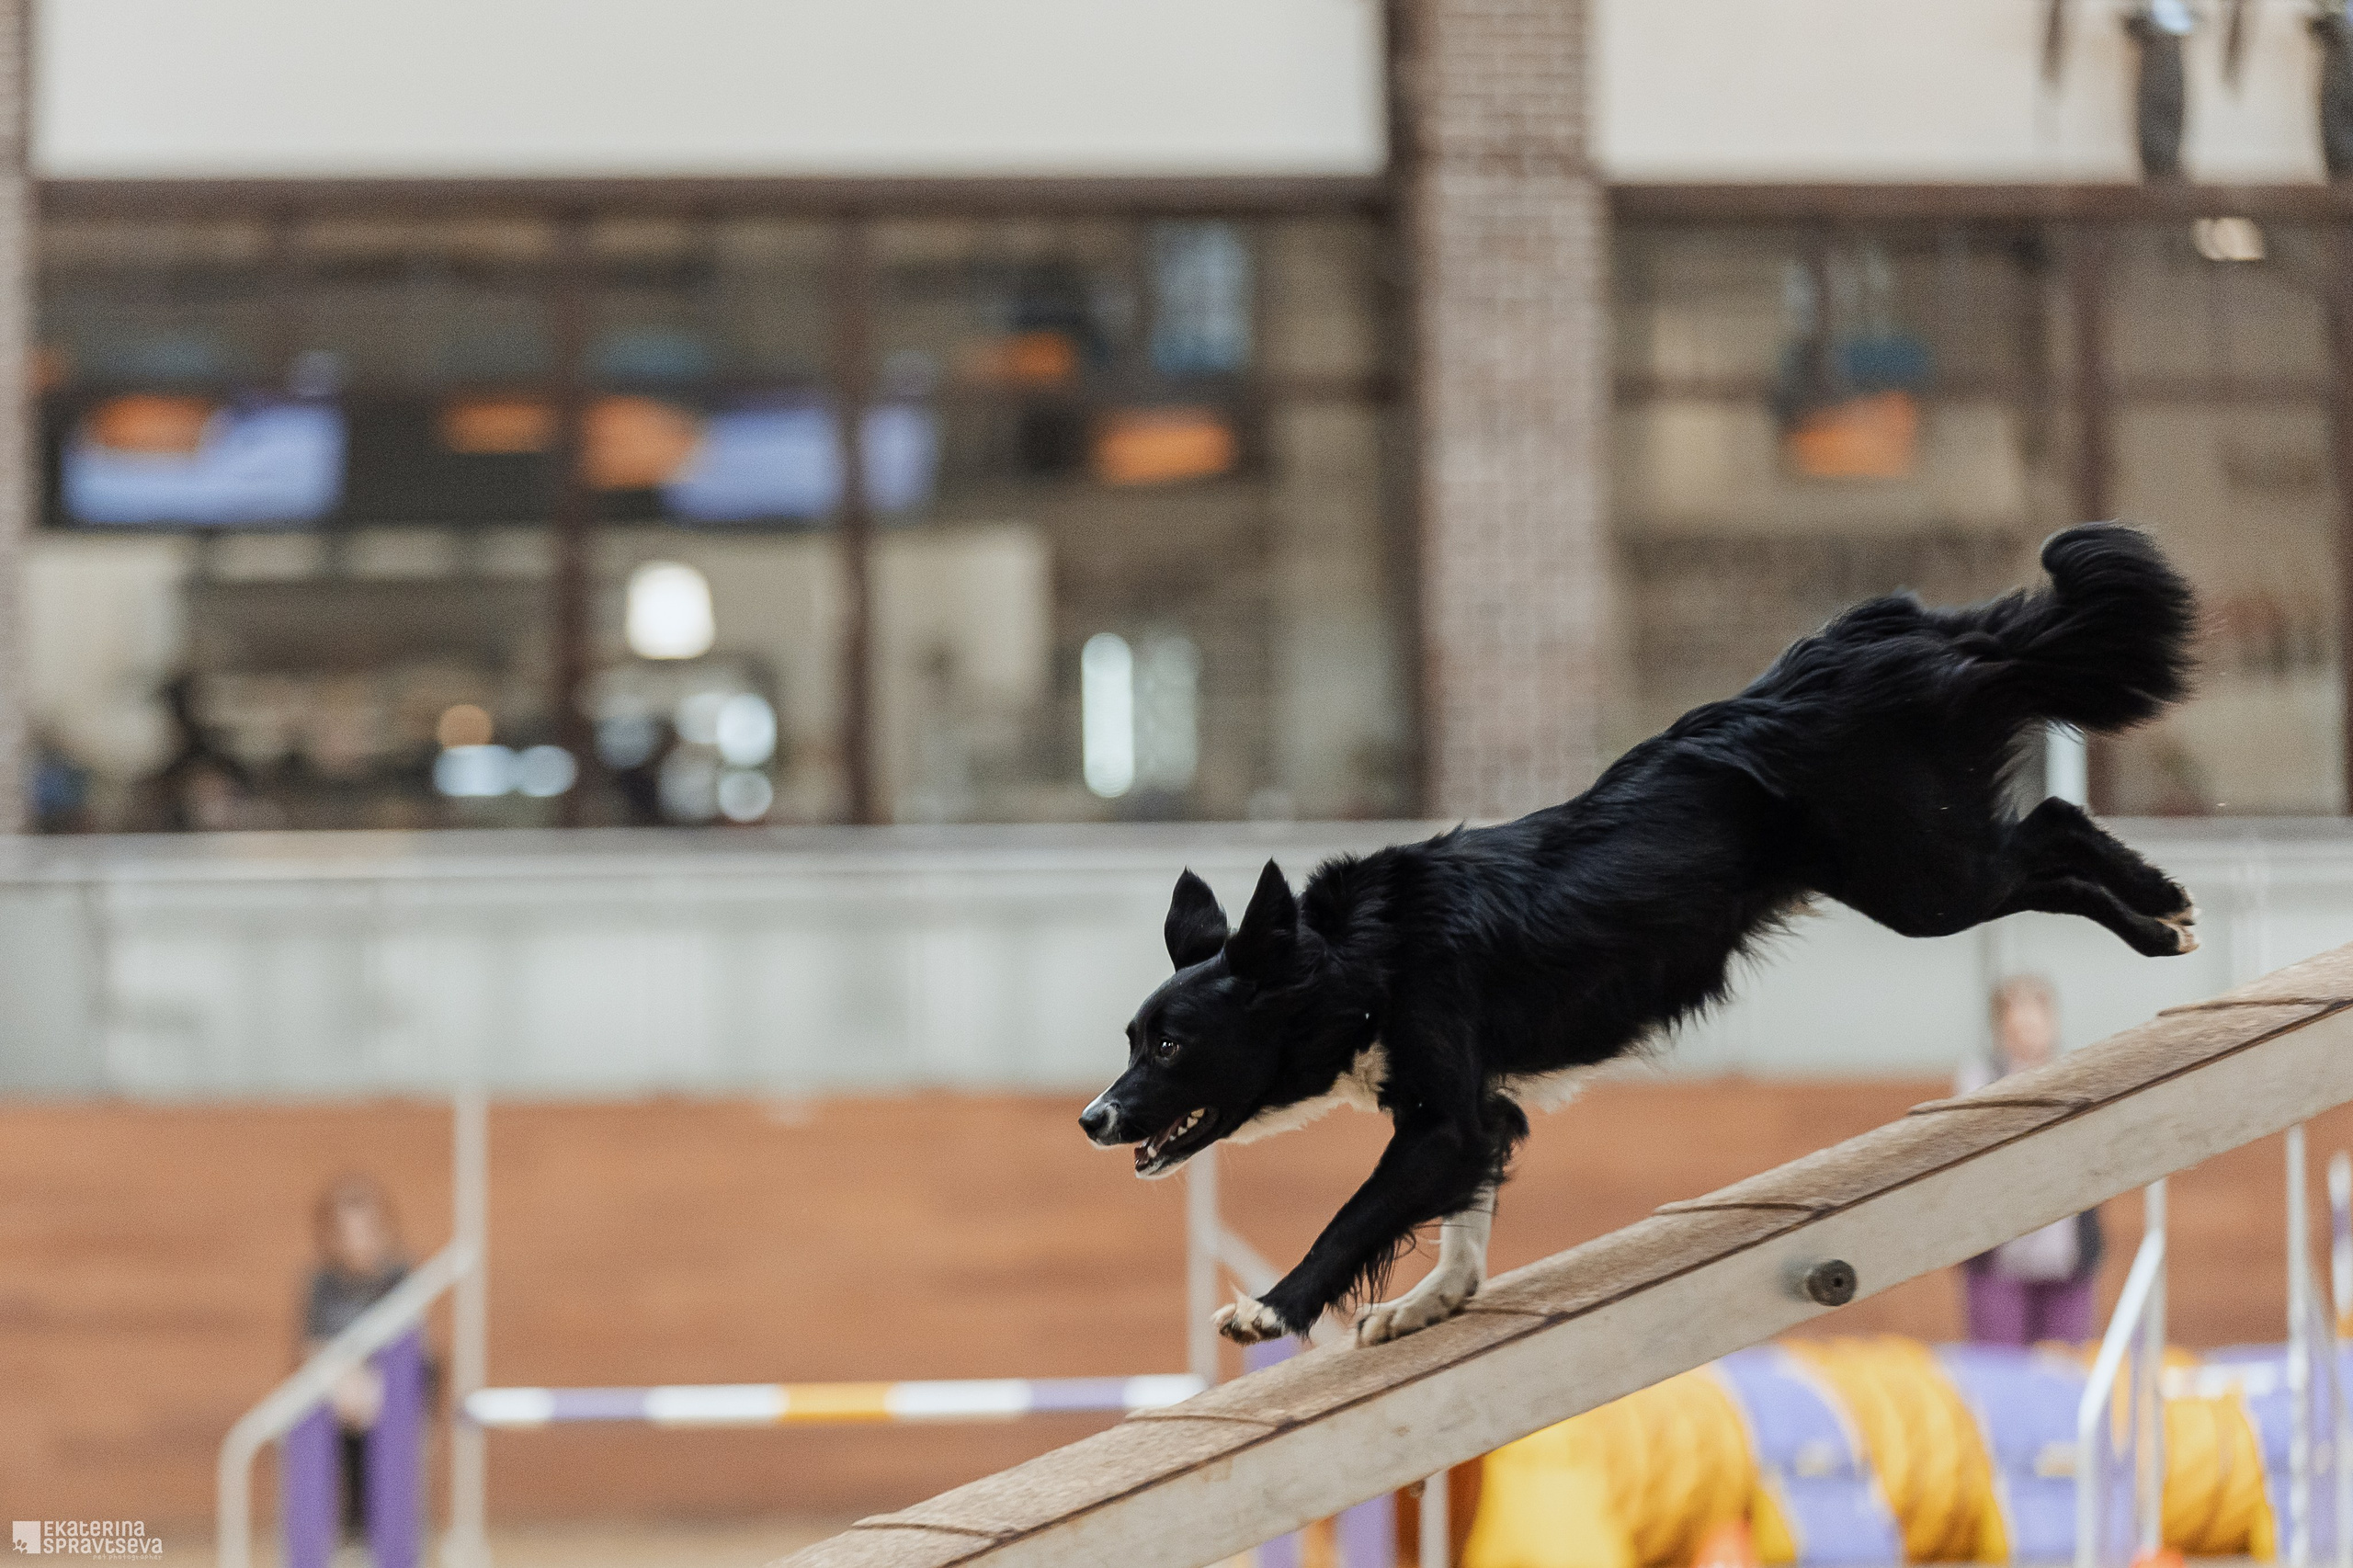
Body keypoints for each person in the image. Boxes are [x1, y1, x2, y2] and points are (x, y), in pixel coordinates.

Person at [1957, 976, 2105, 1344]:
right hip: (1999, 1254)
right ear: (2001, 1030)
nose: (2027, 1036)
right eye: (2016, 1026)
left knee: (2064, 1363)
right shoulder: (1980, 1079)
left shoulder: (2080, 1078)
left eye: (2035, 1024)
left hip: (2065, 1254)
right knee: (1998, 1363)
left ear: (2052, 1024)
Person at [301, 1175, 411, 1537]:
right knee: (336, 1403)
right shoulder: (322, 1283)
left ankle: (382, 1525)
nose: (358, 1241)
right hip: (339, 1387)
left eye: (366, 1230)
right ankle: (348, 1526)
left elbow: (413, 1347)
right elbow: (312, 1345)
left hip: (389, 1384)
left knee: (380, 1406)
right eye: (348, 1232)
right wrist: (344, 1379)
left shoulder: (398, 1277)